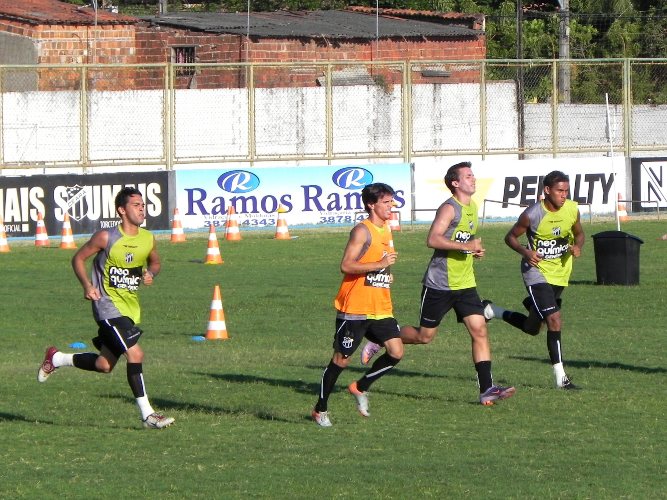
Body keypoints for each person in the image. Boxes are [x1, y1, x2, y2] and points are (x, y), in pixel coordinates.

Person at [361, 162, 515, 406]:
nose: (473, 179)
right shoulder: (449, 208)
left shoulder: (472, 207)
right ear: (455, 183)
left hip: (465, 283)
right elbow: (432, 239)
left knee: (480, 330)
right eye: (468, 176)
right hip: (440, 284)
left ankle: (487, 389)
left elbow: (465, 238)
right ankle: (383, 338)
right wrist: (466, 246)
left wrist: (474, 249)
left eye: (473, 175)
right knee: (424, 337)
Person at [37, 187, 175, 429]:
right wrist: (87, 285)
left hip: (130, 310)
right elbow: (77, 258)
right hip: (107, 306)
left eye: (143, 204)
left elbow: (155, 261)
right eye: (136, 205)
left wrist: (151, 273)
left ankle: (57, 358)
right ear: (122, 210)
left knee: (104, 365)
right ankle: (148, 415)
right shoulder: (106, 237)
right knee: (136, 354)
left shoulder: (147, 238)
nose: (142, 208)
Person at [312, 183, 403, 427]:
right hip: (354, 308)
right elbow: (346, 265)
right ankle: (320, 409)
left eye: (392, 201)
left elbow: (381, 263)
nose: (391, 206)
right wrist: (378, 265)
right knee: (341, 361)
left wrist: (386, 272)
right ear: (371, 205)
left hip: (381, 306)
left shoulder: (387, 229)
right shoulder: (362, 231)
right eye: (386, 202)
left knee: (396, 352)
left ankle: (360, 387)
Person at [484, 170, 584, 390]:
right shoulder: (532, 214)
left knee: (532, 328)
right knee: (554, 319)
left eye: (566, 191)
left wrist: (578, 246)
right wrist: (525, 252)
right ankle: (561, 378)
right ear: (547, 191)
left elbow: (579, 234)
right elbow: (510, 237)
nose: (564, 195)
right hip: (536, 273)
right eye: (559, 191)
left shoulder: (572, 210)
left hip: (560, 274)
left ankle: (494, 311)